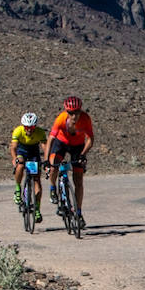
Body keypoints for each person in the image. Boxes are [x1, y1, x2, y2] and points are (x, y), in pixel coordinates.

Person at [47, 95, 94, 225]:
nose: (74, 116)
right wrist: (46, 160)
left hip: (77, 146)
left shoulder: (85, 119)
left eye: (77, 112)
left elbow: (90, 139)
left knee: (78, 180)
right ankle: (52, 188)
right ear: (67, 112)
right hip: (60, 143)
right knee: (53, 165)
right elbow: (50, 139)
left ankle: (78, 213)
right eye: (71, 113)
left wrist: (83, 154)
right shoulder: (61, 119)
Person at [9, 111, 48, 223]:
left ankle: (37, 210)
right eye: (27, 127)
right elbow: (13, 148)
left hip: (34, 153)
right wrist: (15, 158)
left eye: (32, 127)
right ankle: (17, 189)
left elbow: (45, 147)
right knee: (20, 165)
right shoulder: (18, 131)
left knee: (37, 180)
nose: (29, 130)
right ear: (23, 126)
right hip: (22, 151)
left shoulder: (40, 132)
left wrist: (46, 161)